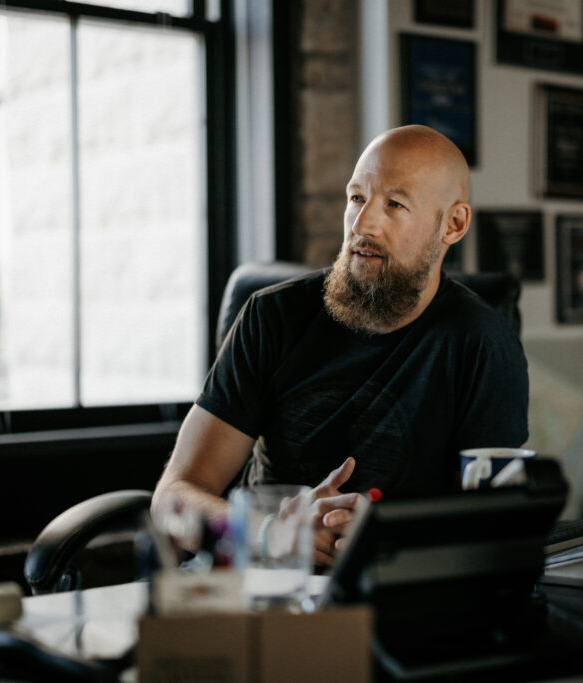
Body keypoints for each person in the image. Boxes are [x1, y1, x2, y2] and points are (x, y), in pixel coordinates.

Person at [152, 125, 529, 566]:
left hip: (397, 593)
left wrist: (391, 539)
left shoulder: (484, 347)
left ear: (453, 224)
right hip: (259, 582)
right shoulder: (270, 318)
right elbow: (172, 503)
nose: (363, 223)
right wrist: (271, 535)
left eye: (394, 204)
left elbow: (499, 527)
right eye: (356, 198)